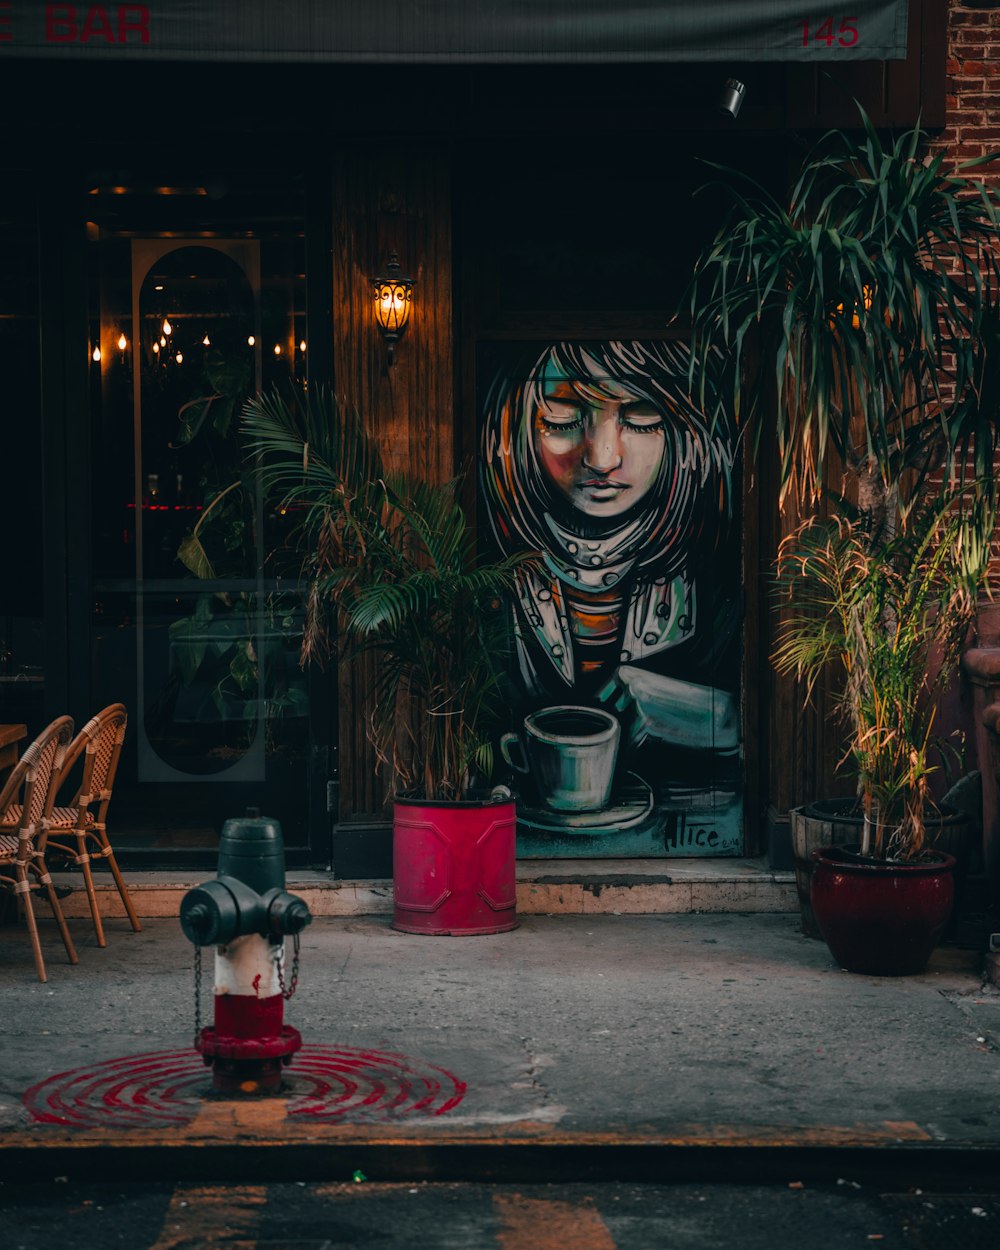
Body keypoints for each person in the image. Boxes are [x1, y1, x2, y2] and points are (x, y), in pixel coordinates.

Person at [480, 340, 741, 829]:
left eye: (640, 419)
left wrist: (689, 712)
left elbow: (748, 719)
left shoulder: (714, 581)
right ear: (513, 428)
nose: (602, 457)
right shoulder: (494, 587)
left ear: (686, 434)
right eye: (561, 420)